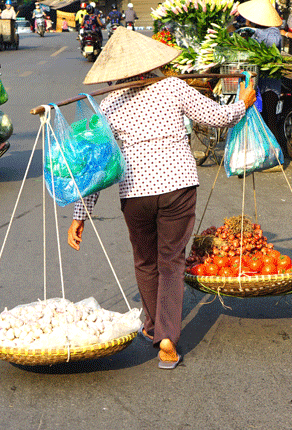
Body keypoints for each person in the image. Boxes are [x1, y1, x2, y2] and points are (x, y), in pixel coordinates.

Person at [67, 28, 256, 369]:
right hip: (177, 187)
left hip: (135, 194)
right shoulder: (172, 86)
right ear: (151, 65)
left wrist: (80, 214)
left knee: (145, 260)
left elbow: (99, 166)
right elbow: (218, 118)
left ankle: (155, 326)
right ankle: (165, 335)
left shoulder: (108, 105)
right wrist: (244, 100)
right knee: (171, 261)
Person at [237, 0, 284, 142]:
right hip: (255, 82)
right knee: (258, 118)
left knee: (270, 118)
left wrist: (254, 32)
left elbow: (272, 43)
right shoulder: (249, 32)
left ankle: (275, 152)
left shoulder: (273, 32)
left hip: (270, 83)